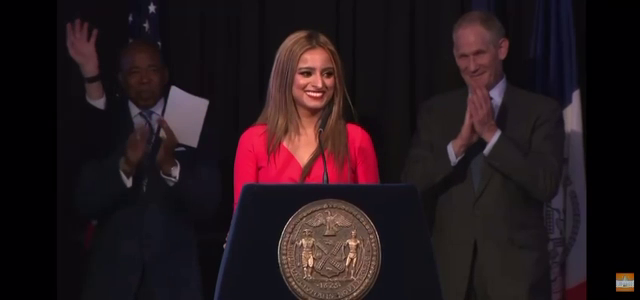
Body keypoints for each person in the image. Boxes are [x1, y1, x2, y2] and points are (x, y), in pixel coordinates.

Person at [402, 11, 564, 300]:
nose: (472, 66)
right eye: (463, 56)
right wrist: (459, 145)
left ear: (501, 49)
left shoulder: (541, 112)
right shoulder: (435, 112)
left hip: (516, 280)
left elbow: (545, 183)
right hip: (450, 278)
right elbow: (411, 183)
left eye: (479, 54)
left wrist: (492, 135)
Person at [66, 19, 221, 300]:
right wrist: (124, 165)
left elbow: (209, 205)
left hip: (176, 283)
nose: (145, 78)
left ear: (165, 74)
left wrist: (170, 167)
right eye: (135, 71)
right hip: (111, 282)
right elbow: (83, 201)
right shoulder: (104, 124)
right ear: (122, 80)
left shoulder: (191, 119)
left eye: (152, 70)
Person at [233, 30, 380, 209]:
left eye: (328, 74)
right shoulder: (253, 141)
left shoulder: (356, 139)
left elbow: (372, 218)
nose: (319, 84)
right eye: (306, 73)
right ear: (284, 77)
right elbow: (244, 224)